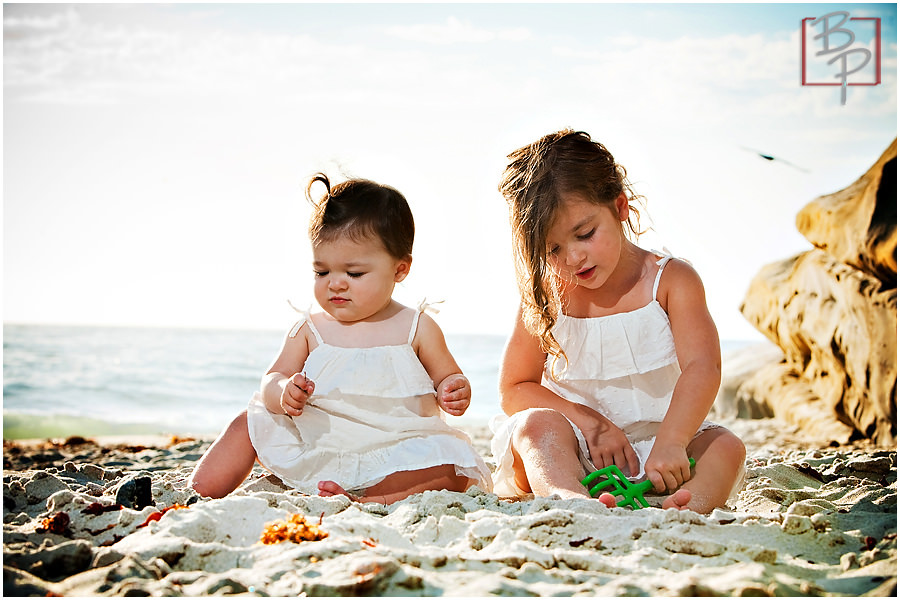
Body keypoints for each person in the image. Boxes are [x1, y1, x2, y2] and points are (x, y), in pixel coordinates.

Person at [188, 174, 491, 504]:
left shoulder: (415, 327)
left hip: (395, 449)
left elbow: (447, 375)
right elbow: (272, 378)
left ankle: (370, 500)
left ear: (400, 269)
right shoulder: (310, 329)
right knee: (248, 422)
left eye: (354, 273)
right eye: (322, 272)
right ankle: (198, 493)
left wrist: (454, 389)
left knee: (449, 461)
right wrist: (282, 392)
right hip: (319, 445)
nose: (335, 283)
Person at [490, 129, 745, 513]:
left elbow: (702, 367)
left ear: (621, 206)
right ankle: (570, 498)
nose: (573, 258)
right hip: (576, 445)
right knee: (534, 428)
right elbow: (514, 387)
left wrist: (673, 441)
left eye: (585, 234)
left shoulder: (670, 281)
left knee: (726, 447)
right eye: (553, 248)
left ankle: (679, 510)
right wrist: (590, 423)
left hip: (661, 445)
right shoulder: (547, 292)